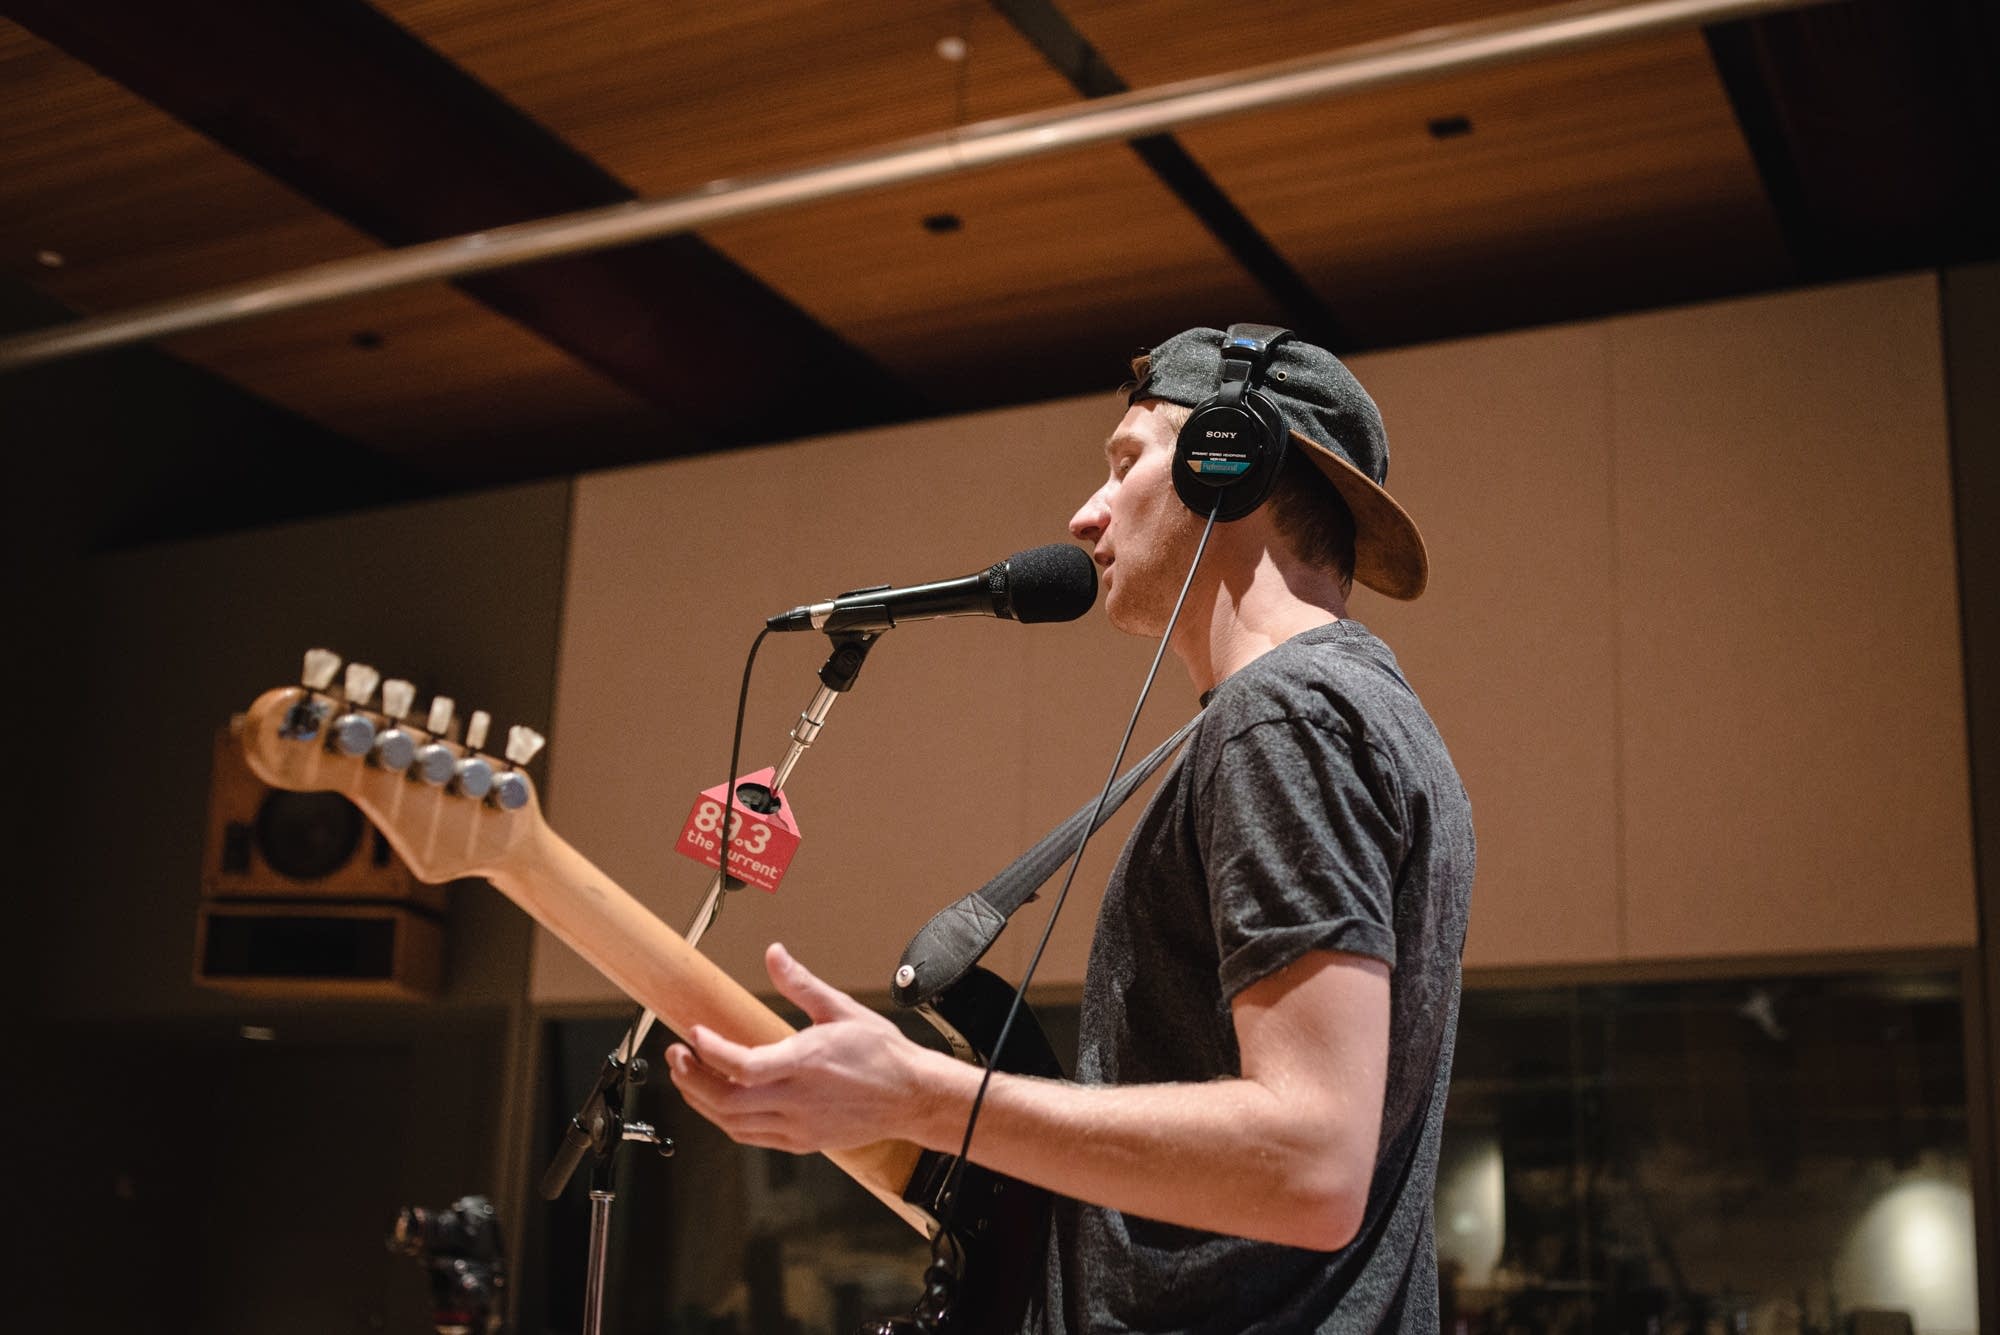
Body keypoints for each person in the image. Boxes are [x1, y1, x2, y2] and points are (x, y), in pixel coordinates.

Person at [667, 325, 1475, 1333]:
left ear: (1227, 461)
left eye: (1126, 460)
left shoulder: (1286, 721)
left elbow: (1310, 1161)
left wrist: (919, 1098)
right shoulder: (1335, 715)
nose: (1082, 513)